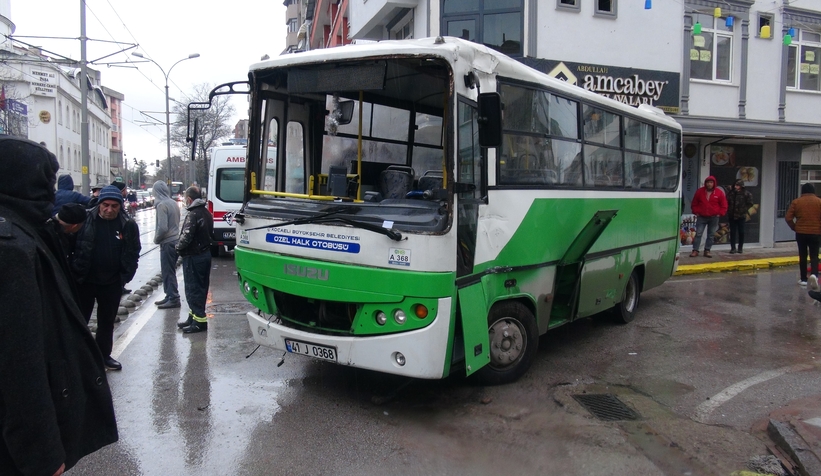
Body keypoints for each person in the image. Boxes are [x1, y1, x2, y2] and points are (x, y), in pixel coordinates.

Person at [0, 136, 117, 475]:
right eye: (45, 183)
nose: (51, 194)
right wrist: (43, 453)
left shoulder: (25, 230)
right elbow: (19, 363)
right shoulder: (12, 249)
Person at [71, 185, 141, 370]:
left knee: (106, 322)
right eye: (106, 205)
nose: (109, 210)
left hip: (111, 282)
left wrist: (125, 276)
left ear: (120, 206)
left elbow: (133, 251)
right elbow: (70, 244)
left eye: (114, 206)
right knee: (79, 320)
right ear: (100, 204)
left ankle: (104, 356)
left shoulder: (127, 224)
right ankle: (77, 357)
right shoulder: (86, 219)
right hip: (85, 280)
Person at [176, 186, 214, 333]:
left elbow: (186, 237)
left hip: (194, 256)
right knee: (201, 287)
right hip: (204, 255)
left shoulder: (193, 214)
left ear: (189, 199)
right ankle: (193, 317)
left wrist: (177, 249)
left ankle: (199, 321)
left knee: (193, 288)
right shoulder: (206, 213)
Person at [152, 181, 181, 309]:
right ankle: (169, 295)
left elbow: (162, 227)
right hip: (175, 240)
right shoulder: (173, 203)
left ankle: (173, 297)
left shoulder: (161, 205)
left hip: (167, 242)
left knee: (167, 271)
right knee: (170, 270)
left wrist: (156, 239)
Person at [785, 183, 821, 286]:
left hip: (801, 233)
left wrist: (795, 227)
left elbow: (788, 218)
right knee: (814, 255)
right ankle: (814, 275)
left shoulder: (796, 202)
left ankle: (803, 279)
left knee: (803, 255)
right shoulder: (819, 202)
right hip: (815, 233)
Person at [689, 175, 728, 258]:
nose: (709, 184)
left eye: (711, 182)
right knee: (698, 234)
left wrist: (720, 213)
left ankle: (707, 250)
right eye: (708, 182)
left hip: (714, 217)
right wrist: (696, 212)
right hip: (701, 217)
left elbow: (724, 205)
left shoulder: (719, 193)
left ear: (714, 183)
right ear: (705, 183)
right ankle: (695, 250)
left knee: (711, 235)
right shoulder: (699, 192)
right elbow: (694, 204)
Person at [726, 179, 754, 254]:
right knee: (732, 232)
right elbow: (726, 202)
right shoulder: (731, 193)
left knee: (741, 232)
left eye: (737, 185)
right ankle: (733, 248)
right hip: (732, 215)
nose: (736, 187)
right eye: (735, 185)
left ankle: (740, 247)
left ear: (741, 186)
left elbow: (750, 203)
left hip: (741, 216)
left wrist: (744, 209)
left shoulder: (746, 194)